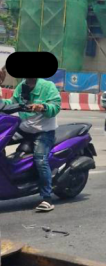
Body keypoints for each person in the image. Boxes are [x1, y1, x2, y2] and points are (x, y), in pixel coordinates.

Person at [0, 65, 62, 212]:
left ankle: (46, 198)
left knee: (40, 159)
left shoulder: (48, 86)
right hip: (23, 128)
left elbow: (56, 106)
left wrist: (43, 107)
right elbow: (12, 103)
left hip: (43, 131)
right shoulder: (21, 86)